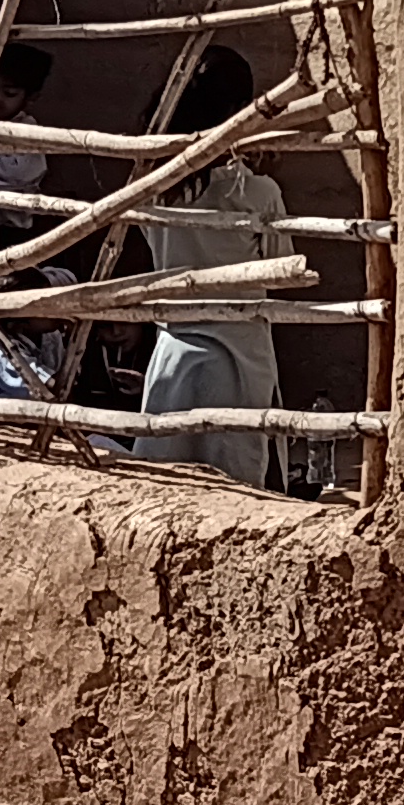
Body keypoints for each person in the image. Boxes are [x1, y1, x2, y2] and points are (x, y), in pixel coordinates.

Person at [114, 48, 292, 487]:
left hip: (175, 348)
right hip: (241, 353)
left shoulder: (152, 191)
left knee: (167, 477)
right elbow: (280, 266)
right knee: (235, 479)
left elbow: (148, 239)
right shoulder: (258, 192)